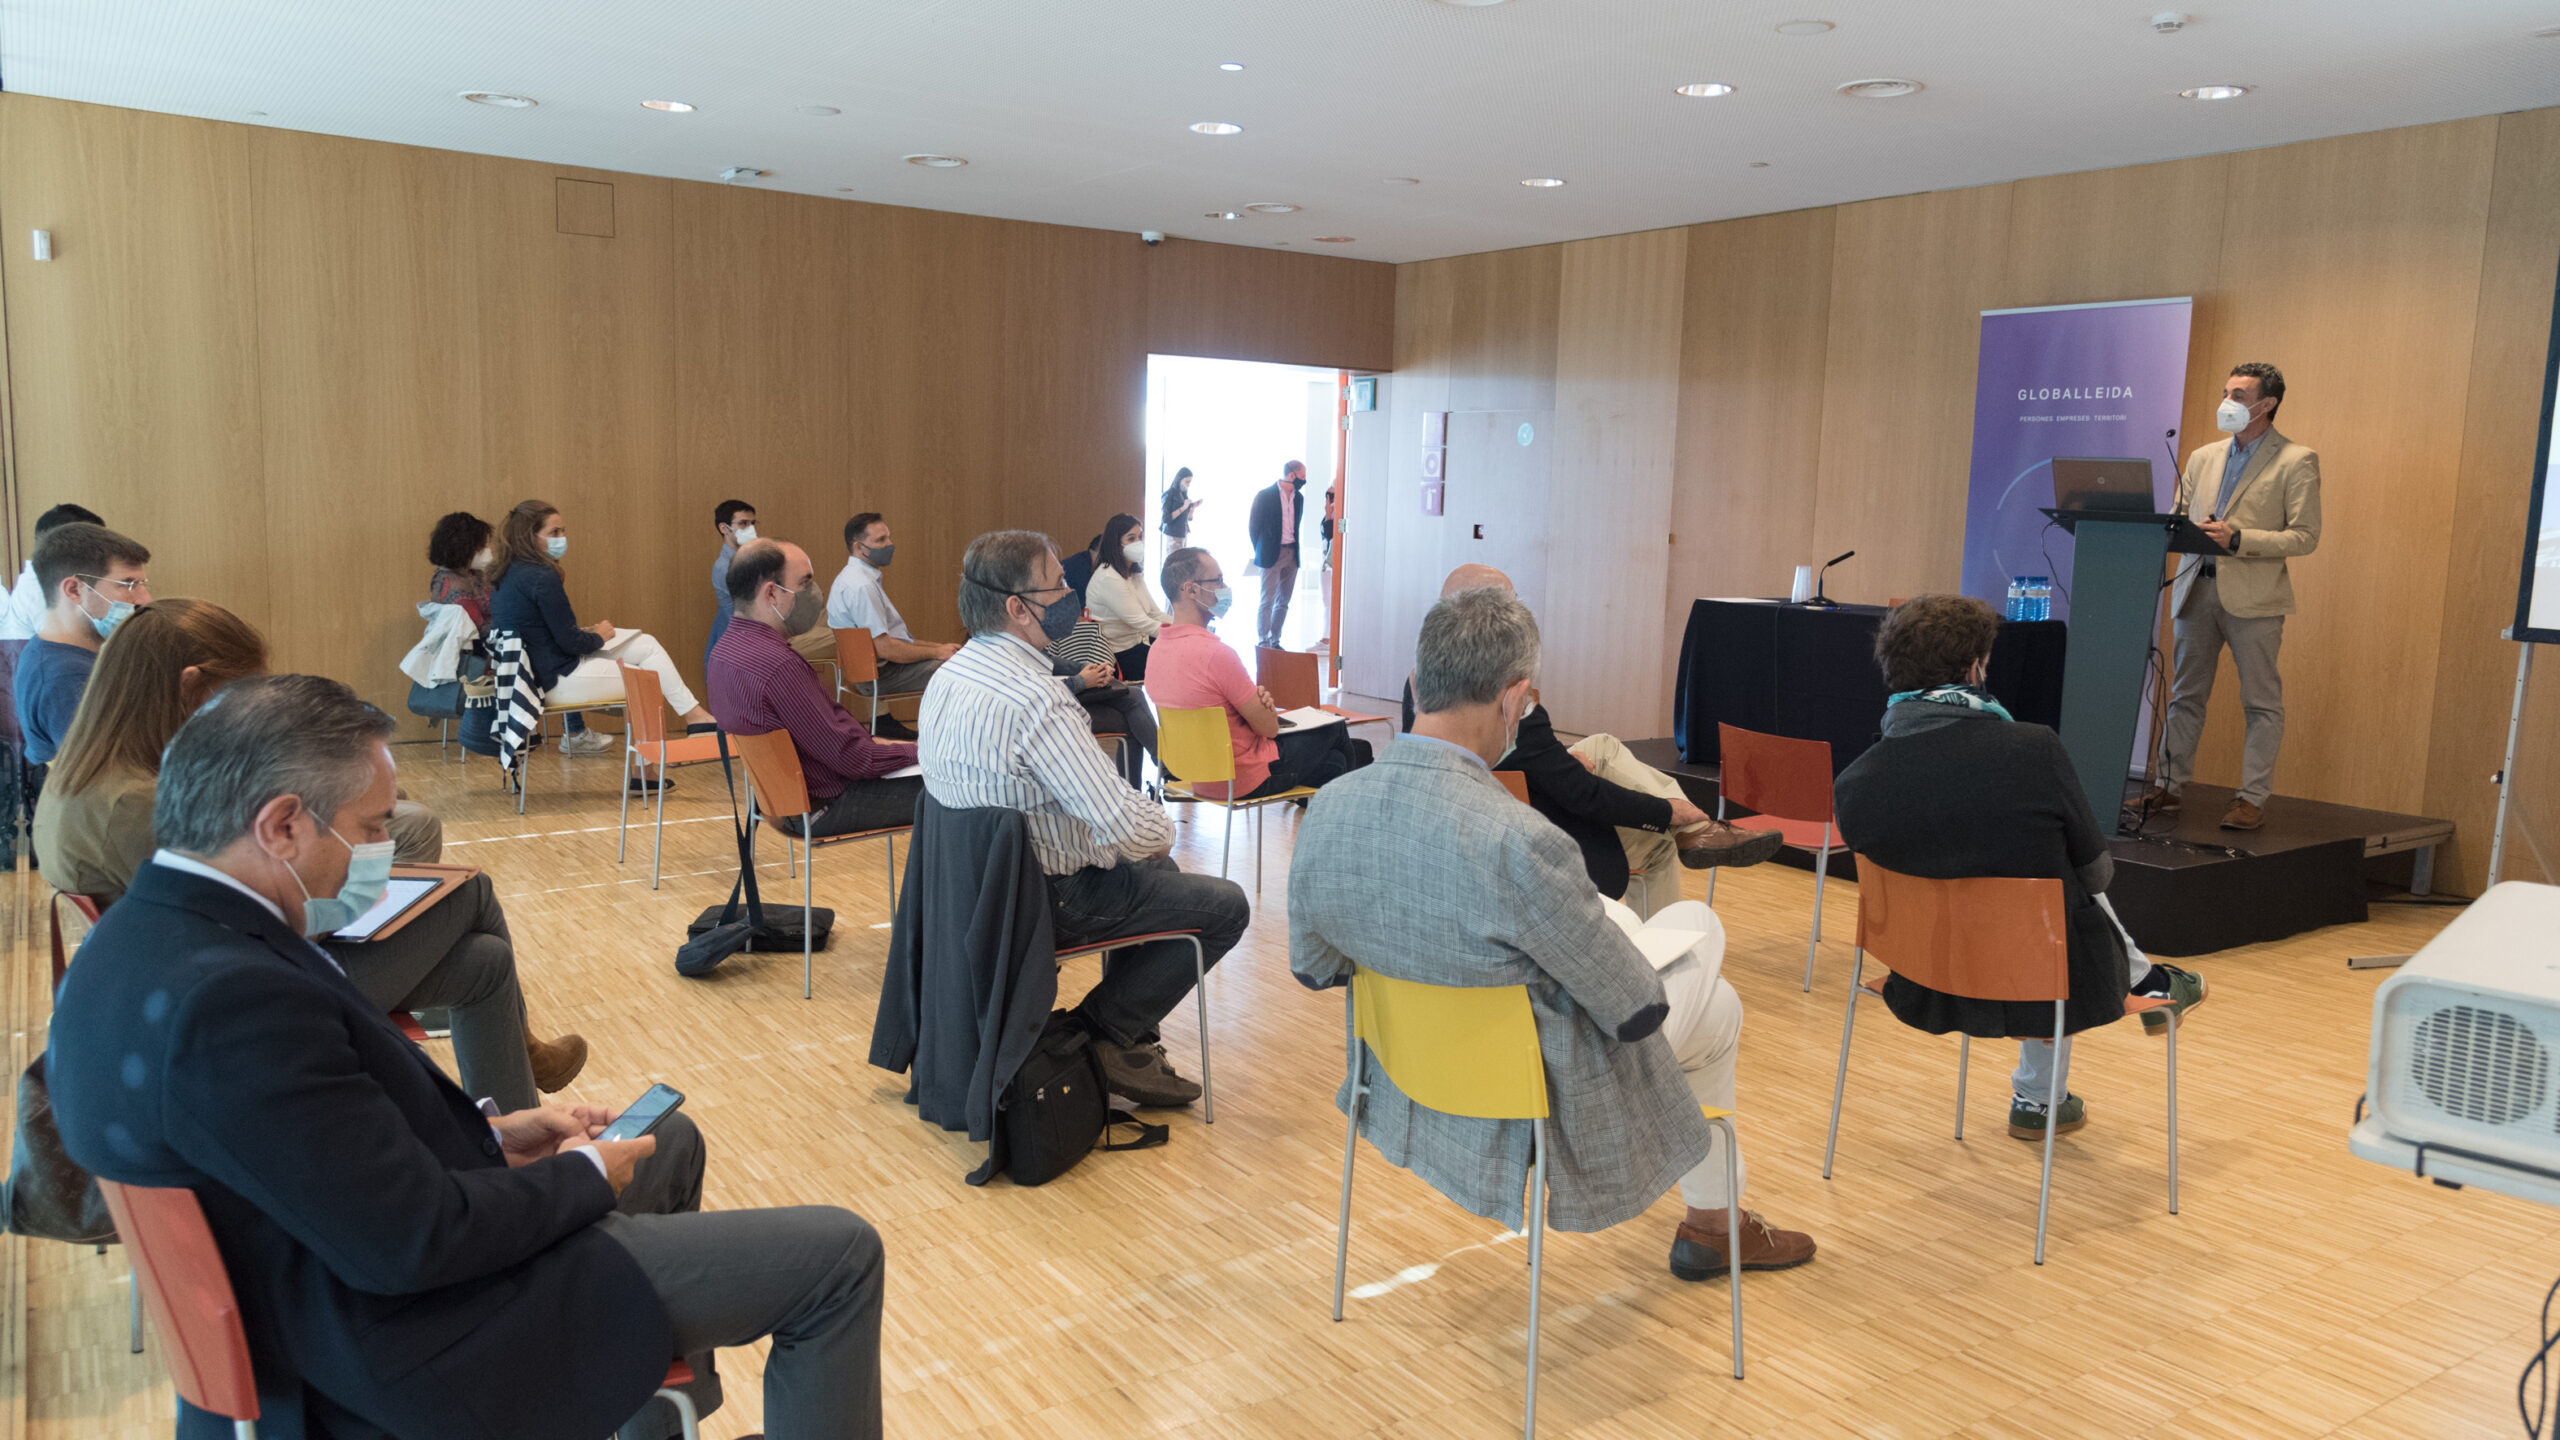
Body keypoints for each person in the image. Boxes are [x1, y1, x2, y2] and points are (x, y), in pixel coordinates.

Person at [47, 673, 884, 1440]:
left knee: (668, 1141)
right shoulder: (233, 1002)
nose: (384, 847)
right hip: (415, 1342)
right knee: (840, 1256)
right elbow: (413, 1241)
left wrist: (494, 1137)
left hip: (352, 1280)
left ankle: (655, 1418)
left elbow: (314, 1155)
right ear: (283, 826)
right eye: (371, 827)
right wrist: (579, 1176)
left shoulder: (144, 939)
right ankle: (640, 1382)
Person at [1290, 586, 1815, 1277]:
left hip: (1400, 1074)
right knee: (1714, 987)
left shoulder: (1329, 807)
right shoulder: (1520, 840)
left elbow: (1315, 967)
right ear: (1515, 700)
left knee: (1688, 942)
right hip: (1535, 1093)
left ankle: (1716, 1225)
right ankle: (1717, 1223)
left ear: (1417, 683)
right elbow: (1634, 1009)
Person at [32, 598, 584, 1106]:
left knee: (484, 961)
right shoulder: (137, 807)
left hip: (211, 980)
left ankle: (512, 1118)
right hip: (254, 1001)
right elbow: (269, 922)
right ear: (191, 688)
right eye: (239, 700)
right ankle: (523, 1074)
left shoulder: (92, 775)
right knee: (472, 890)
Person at [1835, 595, 2209, 1139]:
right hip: (2040, 979)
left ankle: (2120, 1013)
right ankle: (2056, 1081)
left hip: (1923, 979)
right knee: (2061, 897)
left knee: (2040, 897)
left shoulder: (1855, 783)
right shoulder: (2032, 750)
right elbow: (2098, 876)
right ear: (1974, 669)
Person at [919, 529, 1249, 1107]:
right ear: (1017, 608)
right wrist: (1160, 826)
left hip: (973, 895)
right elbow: (1131, 828)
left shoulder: (949, 677)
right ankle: (1101, 1033)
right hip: (1048, 899)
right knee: (1225, 905)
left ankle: (1125, 1042)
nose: (1072, 593)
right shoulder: (1039, 699)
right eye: (1058, 584)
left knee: (1159, 872)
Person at [1404, 564, 1783, 914]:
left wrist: (1559, 760)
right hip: (1530, 834)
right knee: (1659, 843)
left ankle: (1695, 830)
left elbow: (1530, 762)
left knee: (1601, 746)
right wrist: (1666, 813)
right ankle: (1681, 865)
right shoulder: (1512, 703)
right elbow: (1582, 794)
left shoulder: (1424, 684)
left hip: (1469, 822)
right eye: (1511, 606)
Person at [2149, 361, 2322, 831]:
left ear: (2267, 404)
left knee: (2261, 702)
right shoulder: (2202, 457)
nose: (2227, 402)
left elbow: (2306, 536)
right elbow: (2177, 518)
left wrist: (2239, 538)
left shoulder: (2297, 459)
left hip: (2254, 598)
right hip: (2195, 589)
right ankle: (2168, 786)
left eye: (2239, 396)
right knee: (2185, 695)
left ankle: (2251, 798)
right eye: (2226, 392)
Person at [488, 498, 714, 784]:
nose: (562, 538)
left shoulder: (506, 574)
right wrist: (599, 635)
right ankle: (644, 772)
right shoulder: (542, 576)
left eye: (562, 531)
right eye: (554, 532)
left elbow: (543, 631)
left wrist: (590, 634)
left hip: (533, 676)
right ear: (530, 536)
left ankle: (695, 717)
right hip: (554, 680)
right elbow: (570, 642)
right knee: (646, 680)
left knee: (646, 645)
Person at [710, 539, 924, 839]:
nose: (814, 593)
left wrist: (887, 747)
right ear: (771, 593)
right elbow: (853, 759)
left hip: (783, 804)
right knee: (970, 787)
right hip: (826, 804)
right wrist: (923, 752)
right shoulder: (778, 665)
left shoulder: (724, 652)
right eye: (805, 583)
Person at [1146, 546, 1368, 800]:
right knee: (1335, 727)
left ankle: (1331, 806)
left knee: (1335, 762)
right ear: (1191, 590)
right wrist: (1264, 707)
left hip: (1198, 778)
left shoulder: (1157, 651)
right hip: (1244, 777)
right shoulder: (1216, 654)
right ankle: (1353, 811)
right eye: (1218, 580)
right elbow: (1269, 729)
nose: (1224, 587)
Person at [15, 522, 151, 768]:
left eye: (143, 584)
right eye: (128, 584)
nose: (145, 599)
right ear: (74, 590)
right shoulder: (65, 678)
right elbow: (112, 777)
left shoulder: (63, 653)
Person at [828, 511, 955, 741]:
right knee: (958, 669)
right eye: (880, 540)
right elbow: (886, 649)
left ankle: (891, 725)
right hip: (878, 677)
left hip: (867, 672)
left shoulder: (849, 578)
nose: (890, 544)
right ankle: (946, 740)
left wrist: (940, 647)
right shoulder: (862, 587)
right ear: (858, 547)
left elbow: (898, 641)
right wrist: (938, 652)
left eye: (888, 537)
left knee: (951, 655)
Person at [1084, 511, 1170, 681]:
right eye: (1131, 538)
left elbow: (1154, 613)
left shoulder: (1133, 573)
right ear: (1116, 544)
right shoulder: (1109, 577)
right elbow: (1140, 621)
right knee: (1173, 667)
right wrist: (1180, 635)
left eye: (1140, 537)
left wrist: (1187, 626)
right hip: (1120, 653)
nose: (1138, 543)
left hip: (1140, 642)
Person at [0, 502, 103, 640]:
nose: (102, 553)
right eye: (96, 546)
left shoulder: (53, 578)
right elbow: (71, 642)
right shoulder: (39, 590)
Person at [1246, 460, 1309, 649]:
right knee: (1267, 600)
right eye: (1303, 476)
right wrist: (1261, 549)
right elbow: (1253, 527)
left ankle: (1275, 640)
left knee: (1283, 602)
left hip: (1292, 554)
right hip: (1271, 554)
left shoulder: (1299, 498)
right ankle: (1263, 642)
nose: (1305, 480)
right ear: (1292, 475)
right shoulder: (1265, 495)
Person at [704, 498, 758, 672]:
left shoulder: (749, 560)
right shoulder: (725, 567)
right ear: (724, 528)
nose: (750, 529)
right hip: (738, 645)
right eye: (743, 523)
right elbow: (749, 612)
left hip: (746, 639)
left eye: (752, 523)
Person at [1161, 466, 1199, 543]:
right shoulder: (1169, 494)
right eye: (1187, 482)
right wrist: (1183, 508)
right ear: (1179, 479)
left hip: (1183, 533)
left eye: (1190, 482)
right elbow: (1165, 519)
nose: (1188, 485)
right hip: (1173, 535)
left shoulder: (1183, 494)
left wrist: (1192, 509)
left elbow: (1188, 519)